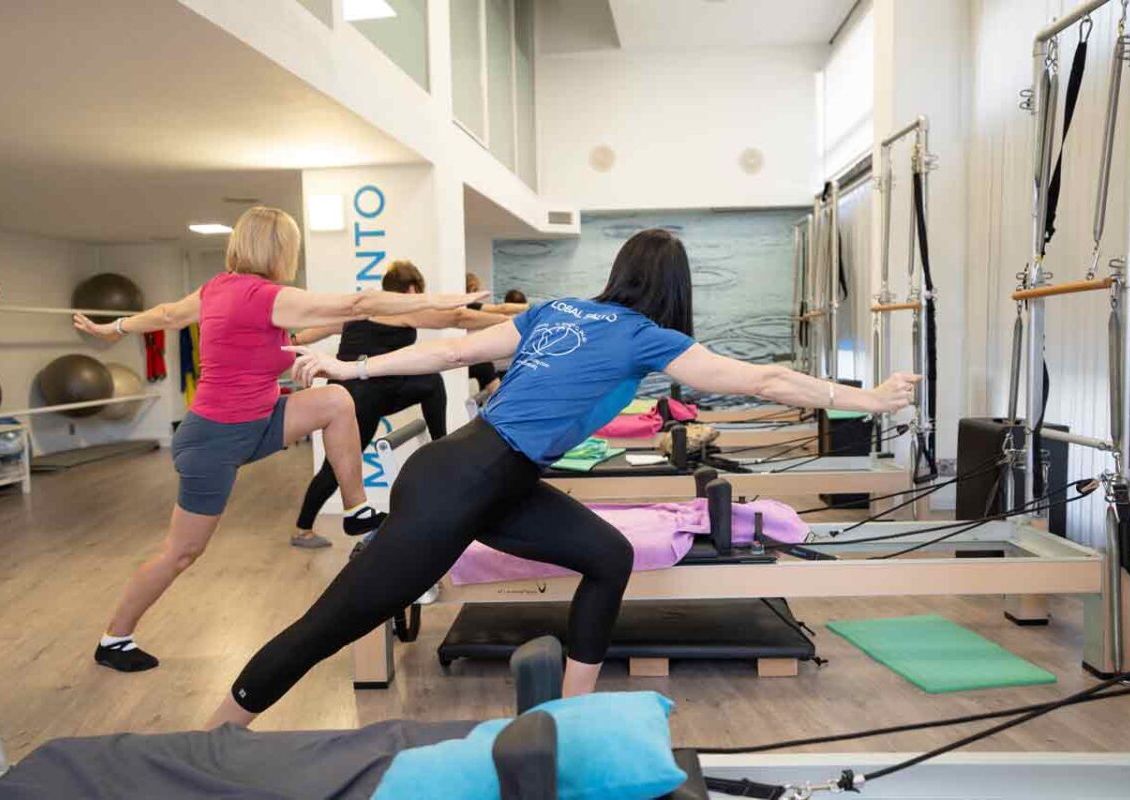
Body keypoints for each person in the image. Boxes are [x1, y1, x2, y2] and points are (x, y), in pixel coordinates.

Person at [206, 228, 918, 727]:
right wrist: (867, 399)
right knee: (330, 625)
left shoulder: (560, 311)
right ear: (676, 287)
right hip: (463, 482)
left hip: (484, 476)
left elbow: (454, 351)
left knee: (606, 556)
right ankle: (216, 731)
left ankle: (567, 718)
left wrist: (357, 366)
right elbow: (763, 379)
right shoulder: (653, 337)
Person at [73, 206, 483, 672]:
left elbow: (168, 314)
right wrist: (442, 299)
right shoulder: (265, 295)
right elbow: (358, 304)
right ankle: (115, 637)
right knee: (183, 551)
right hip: (213, 440)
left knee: (336, 402)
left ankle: (356, 511)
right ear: (278, 248)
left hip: (261, 420)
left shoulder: (218, 289)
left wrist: (115, 328)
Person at [289, 260, 509, 547]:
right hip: (363, 396)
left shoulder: (364, 309)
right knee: (338, 467)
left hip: (361, 392)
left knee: (428, 382)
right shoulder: (401, 310)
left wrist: (290, 342)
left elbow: (318, 331)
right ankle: (442, 447)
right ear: (412, 289)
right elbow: (459, 319)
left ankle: (302, 528)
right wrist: (513, 324)